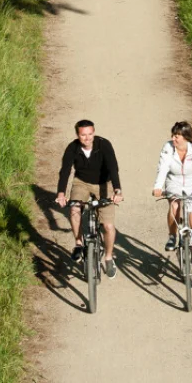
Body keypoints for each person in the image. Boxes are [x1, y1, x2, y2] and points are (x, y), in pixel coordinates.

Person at [55, 119, 123, 279]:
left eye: (90, 134)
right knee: (74, 209)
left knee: (108, 226)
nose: (87, 138)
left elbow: (113, 168)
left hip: (103, 184)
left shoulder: (104, 145)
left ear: (94, 133)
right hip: (82, 182)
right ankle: (79, 244)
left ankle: (108, 257)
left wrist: (117, 190)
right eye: (83, 135)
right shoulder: (72, 148)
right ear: (77, 135)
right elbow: (65, 171)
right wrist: (61, 193)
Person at [152, 120, 192, 286]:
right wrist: (158, 186)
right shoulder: (168, 148)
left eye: (177, 136)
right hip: (174, 183)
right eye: (173, 135)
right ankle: (172, 236)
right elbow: (163, 168)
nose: (173, 138)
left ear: (186, 137)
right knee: (174, 206)